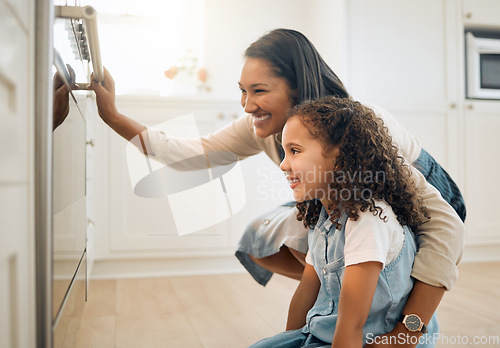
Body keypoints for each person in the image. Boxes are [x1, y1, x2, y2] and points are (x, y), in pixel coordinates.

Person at [90, 28, 465, 346]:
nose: (247, 104)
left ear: (296, 88)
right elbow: (187, 155)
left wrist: (407, 331)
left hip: (430, 207)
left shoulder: (356, 128)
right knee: (261, 237)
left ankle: (385, 305)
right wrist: (112, 115)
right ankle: (345, 299)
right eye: (242, 91)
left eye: (259, 90)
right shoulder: (268, 126)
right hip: (351, 208)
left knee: (367, 238)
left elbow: (446, 226)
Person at [250, 96, 439, 348]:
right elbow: (306, 293)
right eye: (284, 152)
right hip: (323, 334)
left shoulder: (368, 219)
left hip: (370, 341)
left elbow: (352, 325)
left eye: (294, 150)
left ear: (340, 155)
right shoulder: (322, 214)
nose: (283, 164)